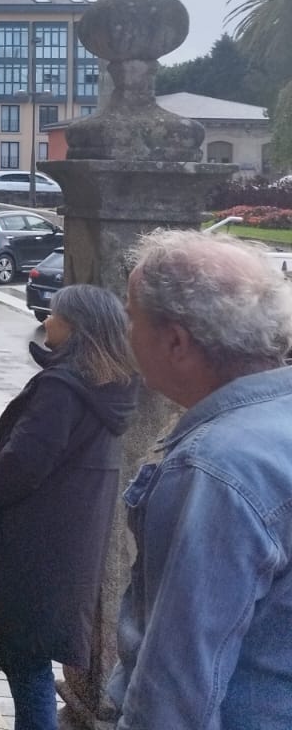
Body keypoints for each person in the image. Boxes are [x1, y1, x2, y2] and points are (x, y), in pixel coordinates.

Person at [105, 230, 292, 730]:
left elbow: (175, 692)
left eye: (130, 316)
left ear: (176, 342)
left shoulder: (216, 468)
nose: (127, 332)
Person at [0, 285, 138, 730]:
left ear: (76, 327)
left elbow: (24, 461)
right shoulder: (108, 387)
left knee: (25, 662)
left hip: (33, 548)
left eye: (54, 314)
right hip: (70, 545)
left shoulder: (62, 389)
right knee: (30, 659)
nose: (47, 321)